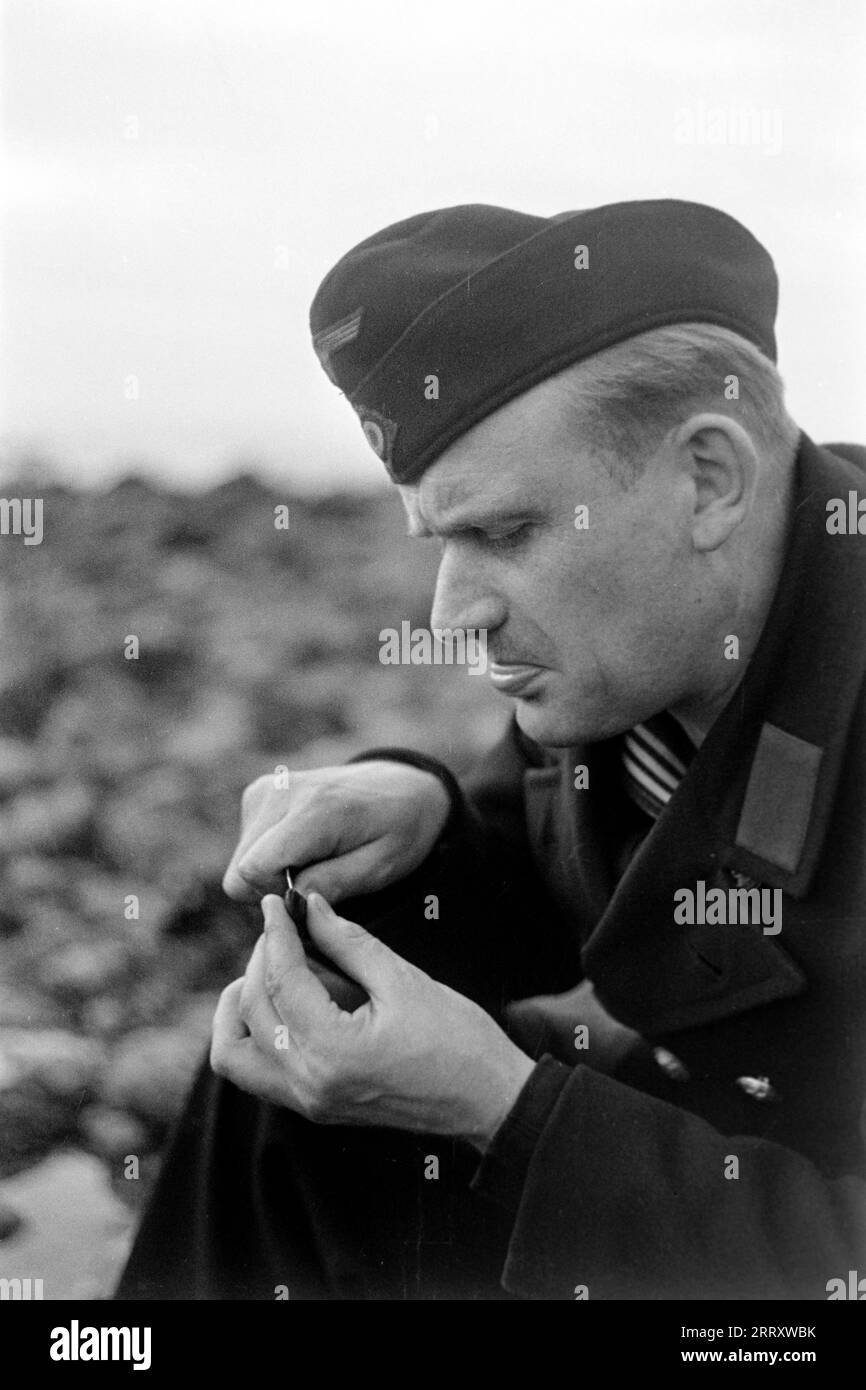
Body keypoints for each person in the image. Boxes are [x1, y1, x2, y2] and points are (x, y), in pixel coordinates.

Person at [116, 199, 866, 1301]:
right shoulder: (666, 629)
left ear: (708, 478)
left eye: (502, 534)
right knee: (318, 1026)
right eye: (439, 538)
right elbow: (576, 866)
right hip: (722, 1177)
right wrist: (424, 824)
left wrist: (498, 1109)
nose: (454, 609)